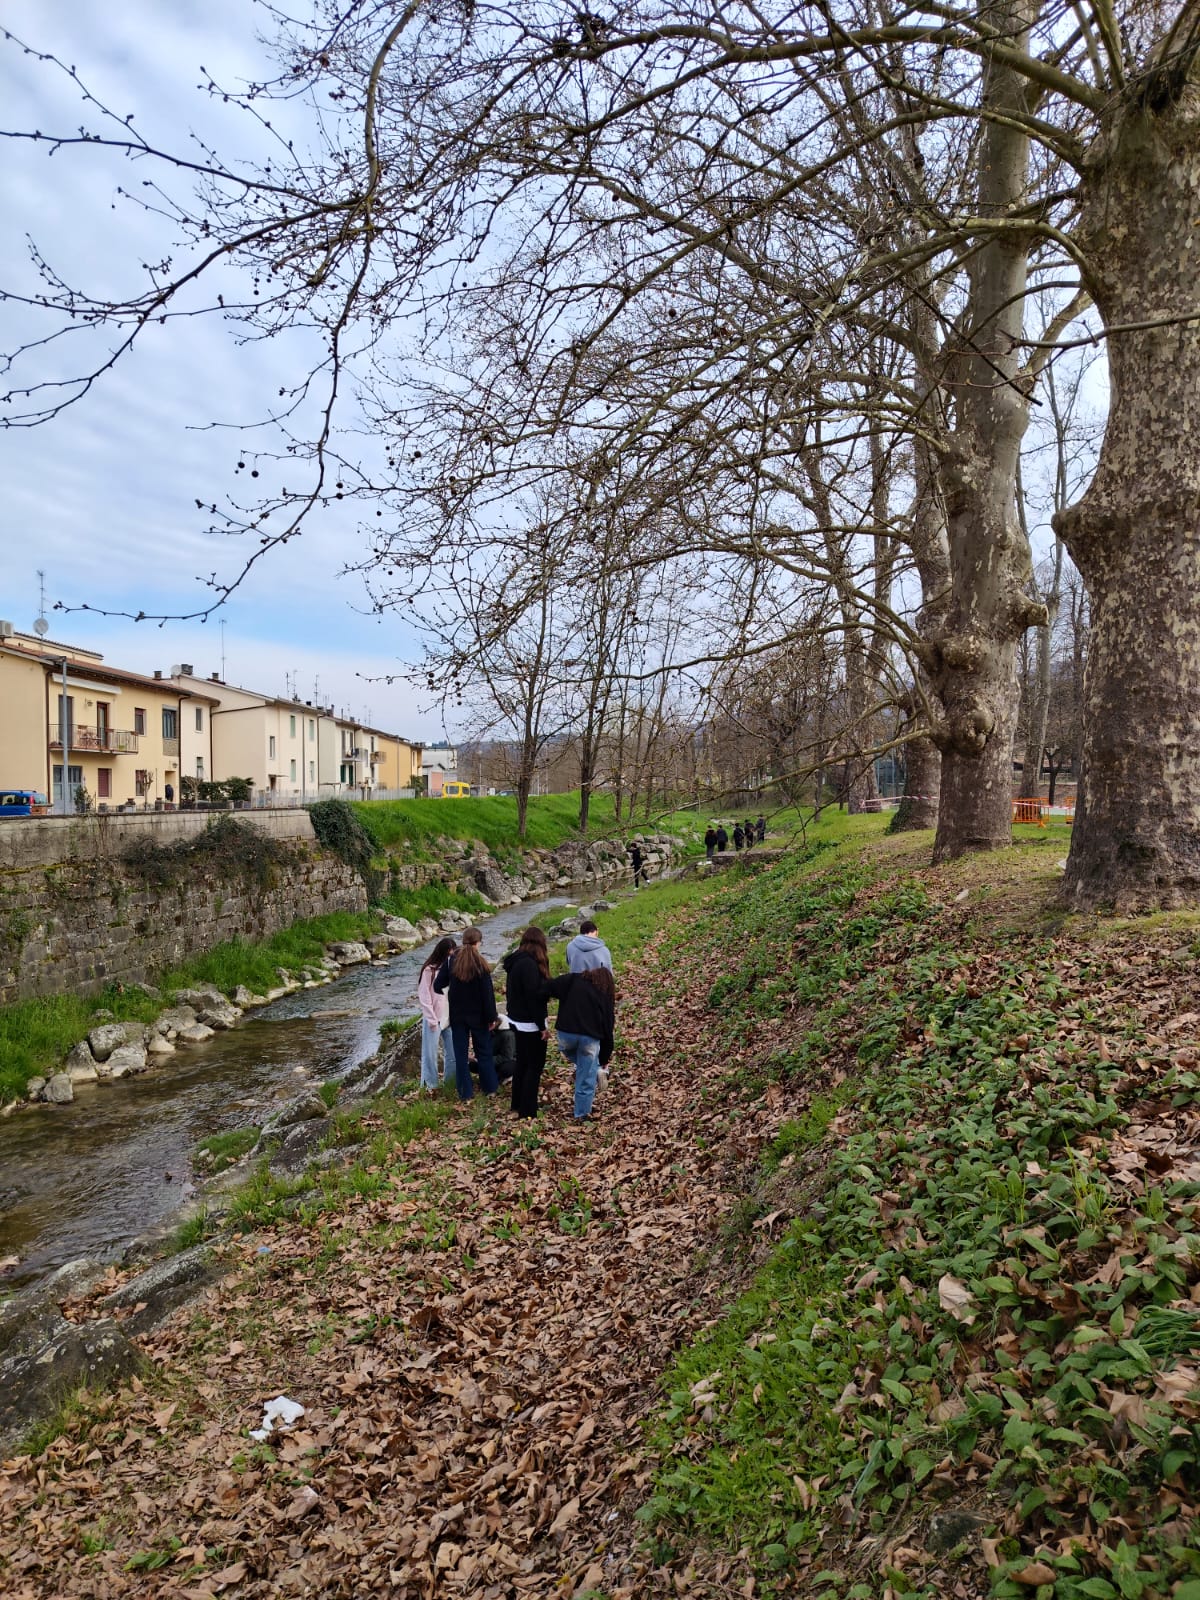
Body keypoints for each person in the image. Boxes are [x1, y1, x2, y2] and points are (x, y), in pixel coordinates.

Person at [542, 966, 616, 1121]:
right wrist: (603, 1059)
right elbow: (608, 1029)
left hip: (565, 1037)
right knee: (587, 1075)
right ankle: (581, 1113)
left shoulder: (572, 979)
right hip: (589, 1038)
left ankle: (591, 1069)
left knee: (583, 1065)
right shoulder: (604, 994)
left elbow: (547, 987)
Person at [434, 926, 499, 1100]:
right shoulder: (481, 963)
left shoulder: (451, 961)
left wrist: (451, 993)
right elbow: (488, 994)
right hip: (478, 1016)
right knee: (484, 1052)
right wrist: (492, 1017)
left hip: (458, 1016)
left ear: (463, 941)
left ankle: (465, 1092)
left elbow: (437, 986)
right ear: (478, 943)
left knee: (460, 1055)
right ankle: (490, 1087)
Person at [502, 927, 551, 1118]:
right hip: (529, 1023)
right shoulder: (530, 965)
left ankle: (516, 1103)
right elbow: (534, 999)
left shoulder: (515, 961)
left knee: (522, 1063)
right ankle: (528, 1109)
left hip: (515, 1019)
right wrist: (542, 1027)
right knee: (534, 1066)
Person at [417, 936, 458, 1093]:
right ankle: (430, 1084)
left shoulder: (452, 969)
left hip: (449, 1018)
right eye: (449, 954)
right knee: (430, 1054)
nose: (451, 957)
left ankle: (450, 1082)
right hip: (433, 1019)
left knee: (453, 1052)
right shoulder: (429, 970)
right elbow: (424, 996)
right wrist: (431, 1018)